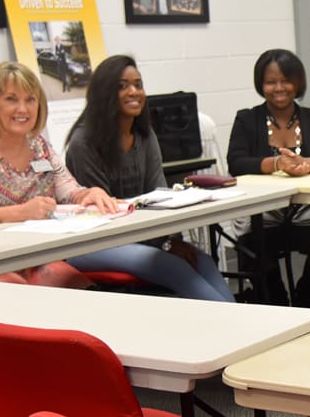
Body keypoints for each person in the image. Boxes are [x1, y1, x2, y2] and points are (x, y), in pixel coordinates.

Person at [64, 55, 234, 302]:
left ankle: (239, 319)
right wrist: (163, 245)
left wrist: (170, 241)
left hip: (140, 237)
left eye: (138, 84)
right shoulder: (84, 143)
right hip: (93, 243)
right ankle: (232, 321)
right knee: (172, 265)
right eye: (122, 86)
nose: (134, 92)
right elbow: (105, 217)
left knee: (202, 260)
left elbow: (159, 196)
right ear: (104, 93)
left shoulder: (145, 135)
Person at [0, 62, 120, 288]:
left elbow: (68, 189)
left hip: (35, 257)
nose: (23, 109)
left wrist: (88, 194)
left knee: (83, 292)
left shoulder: (39, 146)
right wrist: (19, 212)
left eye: (30, 100)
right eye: (11, 99)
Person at [226, 49, 310, 307]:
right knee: (251, 246)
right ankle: (278, 304)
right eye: (271, 82)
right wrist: (277, 164)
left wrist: (306, 164)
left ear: (298, 82)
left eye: (286, 81)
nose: (279, 88)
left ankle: (304, 303)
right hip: (261, 209)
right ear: (261, 84)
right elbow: (235, 162)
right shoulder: (246, 119)